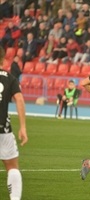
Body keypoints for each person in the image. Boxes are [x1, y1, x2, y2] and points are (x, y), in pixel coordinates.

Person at [0, 46, 28, 200]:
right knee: (12, 167)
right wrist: (23, 127)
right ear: (3, 60)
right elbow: (19, 99)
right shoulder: (10, 78)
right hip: (3, 128)